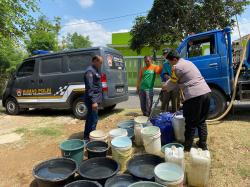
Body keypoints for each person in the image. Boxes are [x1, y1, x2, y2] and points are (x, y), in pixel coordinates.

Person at [162, 49, 211, 151]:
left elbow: (172, 82)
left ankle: (187, 147)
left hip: (194, 96)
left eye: (170, 61)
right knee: (201, 121)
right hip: (206, 92)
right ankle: (202, 144)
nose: (170, 64)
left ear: (174, 59)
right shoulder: (188, 62)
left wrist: (164, 87)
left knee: (190, 123)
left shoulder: (177, 67)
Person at [83, 55, 103, 140]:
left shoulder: (95, 70)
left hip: (95, 99)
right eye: (100, 63)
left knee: (91, 118)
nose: (100, 65)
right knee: (93, 119)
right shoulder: (90, 71)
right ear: (94, 61)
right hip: (92, 100)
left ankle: (88, 135)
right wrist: (94, 101)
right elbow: (90, 87)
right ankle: (91, 137)